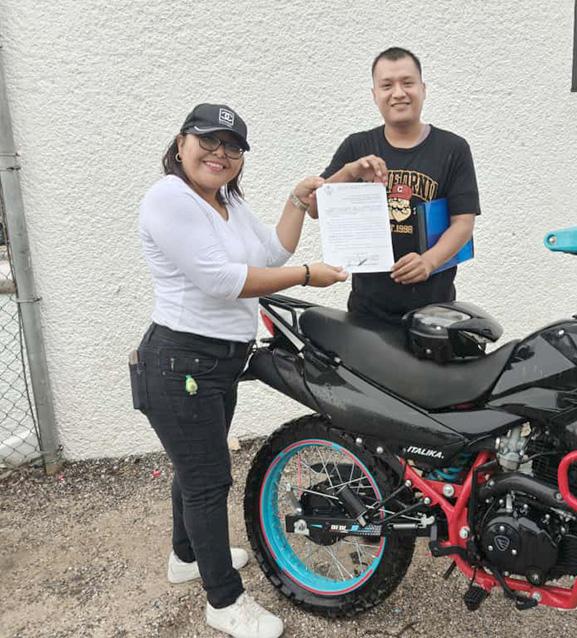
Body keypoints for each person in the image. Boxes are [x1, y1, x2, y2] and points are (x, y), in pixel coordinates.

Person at [136, 103, 347, 638]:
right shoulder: (170, 197)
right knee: (208, 480)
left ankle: (186, 556)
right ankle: (224, 602)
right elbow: (222, 280)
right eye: (208, 140)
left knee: (195, 467)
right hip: (181, 363)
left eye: (232, 147)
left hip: (216, 363)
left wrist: (296, 200)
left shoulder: (226, 201)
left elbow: (270, 252)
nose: (220, 153)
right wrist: (307, 275)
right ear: (181, 143)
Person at [310, 47, 481, 323]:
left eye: (408, 83)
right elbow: (314, 208)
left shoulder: (453, 148)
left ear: (423, 89)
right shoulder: (357, 146)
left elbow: (463, 222)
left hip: (434, 310)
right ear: (374, 94)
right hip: (367, 309)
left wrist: (428, 261)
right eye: (387, 85)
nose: (398, 93)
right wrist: (350, 171)